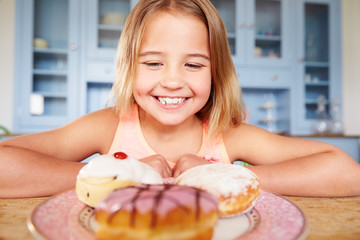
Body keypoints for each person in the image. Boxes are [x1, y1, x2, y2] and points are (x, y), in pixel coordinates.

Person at [1, 0, 359, 198]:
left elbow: (346, 173)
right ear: (129, 66)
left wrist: (221, 176)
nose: (172, 81)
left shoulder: (228, 134)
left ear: (215, 72)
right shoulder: (109, 125)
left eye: (193, 64)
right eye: (154, 63)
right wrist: (121, 175)